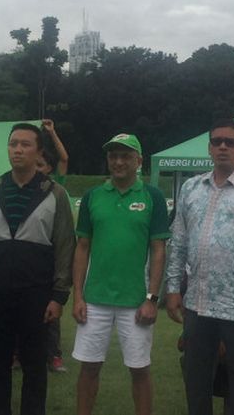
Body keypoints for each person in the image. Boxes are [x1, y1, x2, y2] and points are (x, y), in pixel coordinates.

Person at [165, 117, 234, 415]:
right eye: (217, 142)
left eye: (231, 142)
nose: (223, 147)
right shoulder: (190, 187)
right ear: (209, 147)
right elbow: (178, 241)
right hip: (198, 303)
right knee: (196, 378)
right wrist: (173, 288)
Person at [0, 123, 76, 415]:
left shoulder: (55, 193)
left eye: (25, 144)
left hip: (36, 295)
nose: (18, 150)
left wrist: (59, 295)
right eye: (13, 144)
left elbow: (65, 246)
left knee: (34, 364)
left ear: (39, 151)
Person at [72, 133, 170, 415]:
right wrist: (78, 296)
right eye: (113, 156)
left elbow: (158, 250)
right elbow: (82, 247)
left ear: (138, 160)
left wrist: (152, 298)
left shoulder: (152, 196)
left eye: (125, 155)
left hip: (136, 300)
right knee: (89, 368)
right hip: (95, 299)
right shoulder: (93, 196)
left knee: (139, 369)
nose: (118, 161)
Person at [37, 119, 70, 373]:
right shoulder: (19, 187)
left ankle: (54, 355)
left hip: (51, 259)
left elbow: (64, 158)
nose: (36, 169)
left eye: (41, 165)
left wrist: (51, 131)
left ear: (49, 169)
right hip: (29, 260)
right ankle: (17, 354)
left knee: (51, 310)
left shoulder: (56, 188)